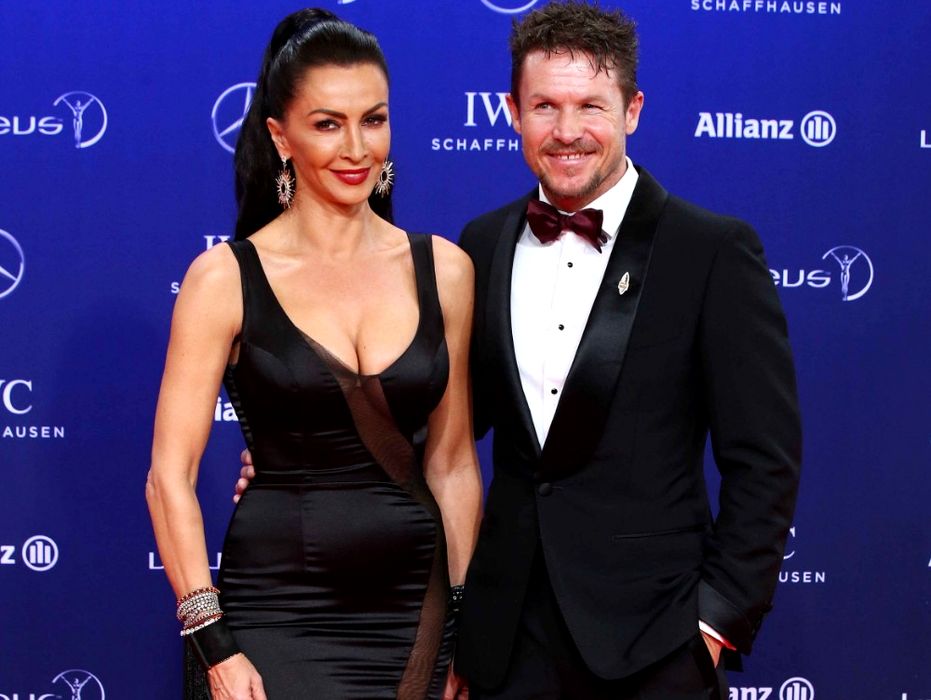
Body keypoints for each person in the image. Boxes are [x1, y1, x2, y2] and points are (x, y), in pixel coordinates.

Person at [454, 3, 802, 699]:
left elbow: (764, 459)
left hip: (656, 644)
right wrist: (301, 454)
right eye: (544, 106)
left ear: (632, 111)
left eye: (591, 105)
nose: (567, 131)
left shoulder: (709, 250)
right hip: (509, 642)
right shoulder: (482, 245)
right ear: (512, 113)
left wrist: (714, 623)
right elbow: (451, 425)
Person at [146, 9, 480, 700]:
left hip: (413, 615)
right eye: (328, 124)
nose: (357, 148)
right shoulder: (224, 279)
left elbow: (451, 466)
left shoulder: (445, 271)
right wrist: (214, 644)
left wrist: (461, 621)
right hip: (274, 616)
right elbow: (169, 478)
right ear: (281, 136)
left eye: (374, 119)